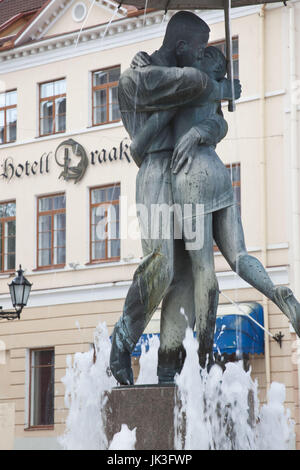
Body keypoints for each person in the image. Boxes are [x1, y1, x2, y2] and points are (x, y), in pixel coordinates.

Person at [109, 11, 239, 385]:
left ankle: (170, 362)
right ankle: (122, 339)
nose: (202, 56)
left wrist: (208, 120)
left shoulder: (170, 74)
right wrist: (221, 86)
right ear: (181, 46)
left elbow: (213, 119)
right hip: (154, 170)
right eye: (199, 49)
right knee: (162, 264)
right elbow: (195, 81)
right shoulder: (137, 78)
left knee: (184, 274)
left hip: (187, 172)